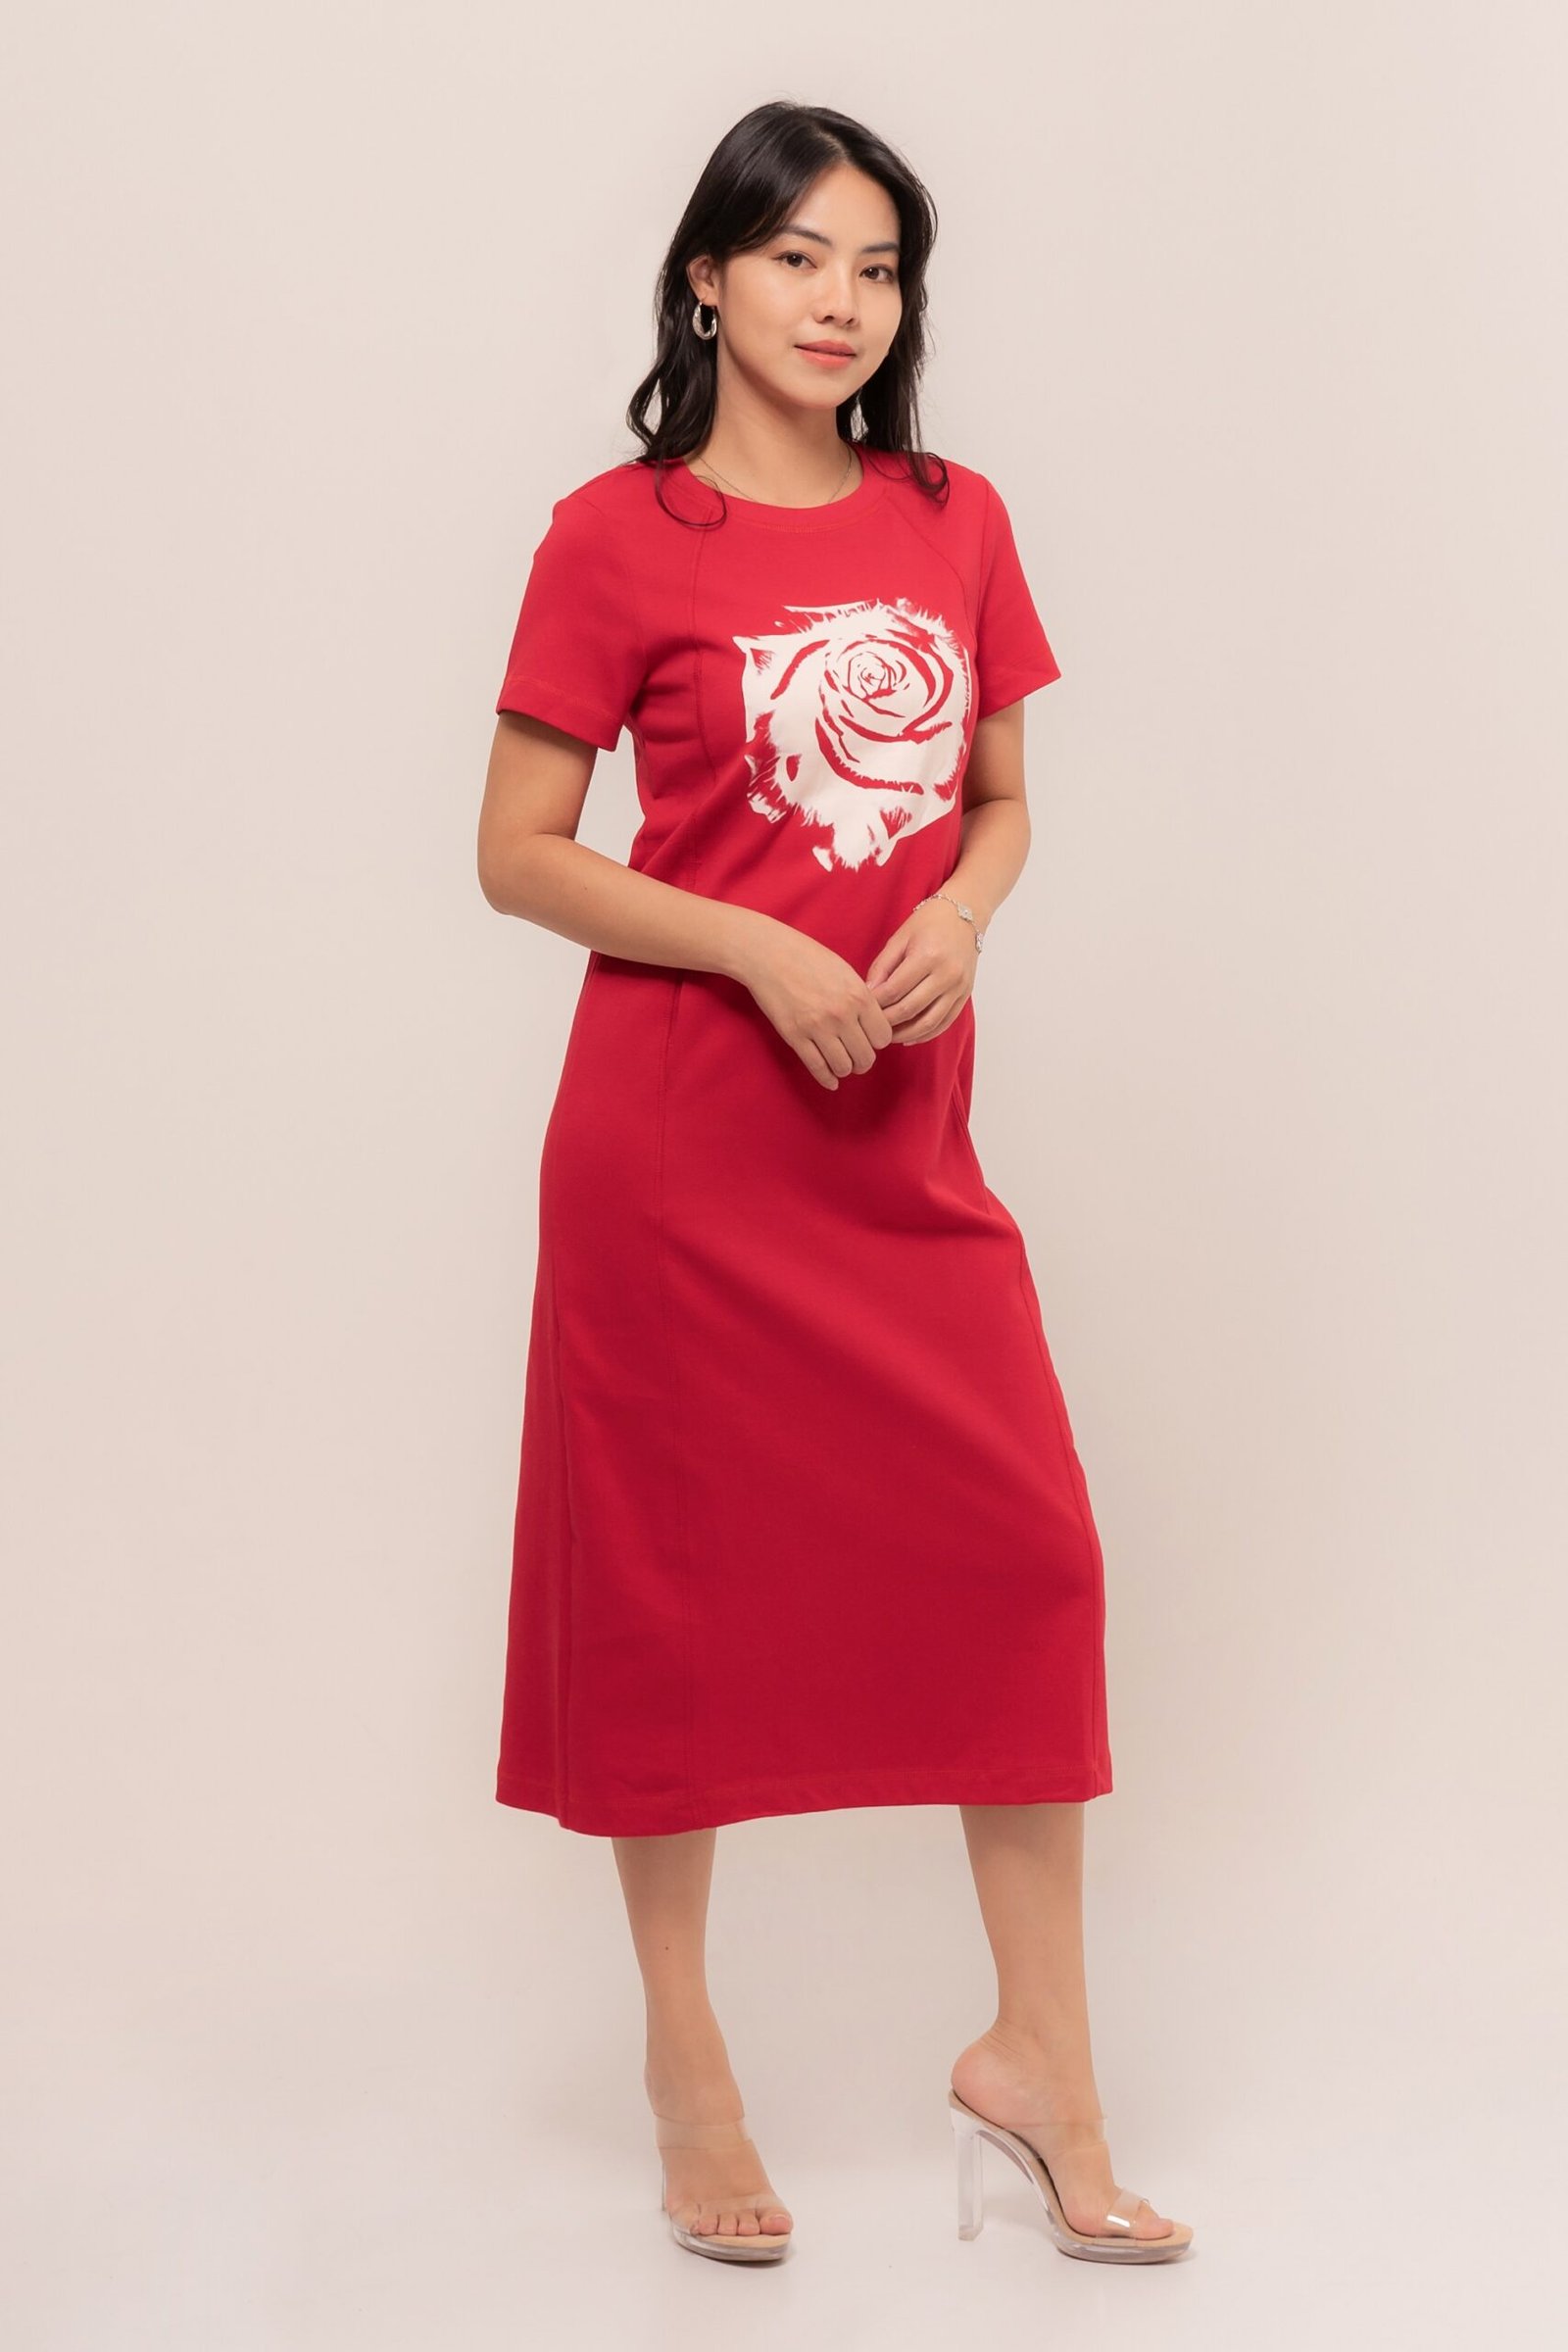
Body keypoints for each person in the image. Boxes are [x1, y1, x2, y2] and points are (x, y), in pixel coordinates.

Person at [476, 99, 1194, 2268]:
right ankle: (684, 2061)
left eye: (876, 268)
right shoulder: (615, 536)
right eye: (796, 257)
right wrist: (753, 943)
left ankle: (1040, 2064)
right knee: (668, 1602)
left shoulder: (950, 517)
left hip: (900, 1139)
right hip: (679, 1152)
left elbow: (998, 800)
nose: (839, 302)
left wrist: (960, 913)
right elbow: (515, 855)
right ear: (706, 279)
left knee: (1028, 1557)